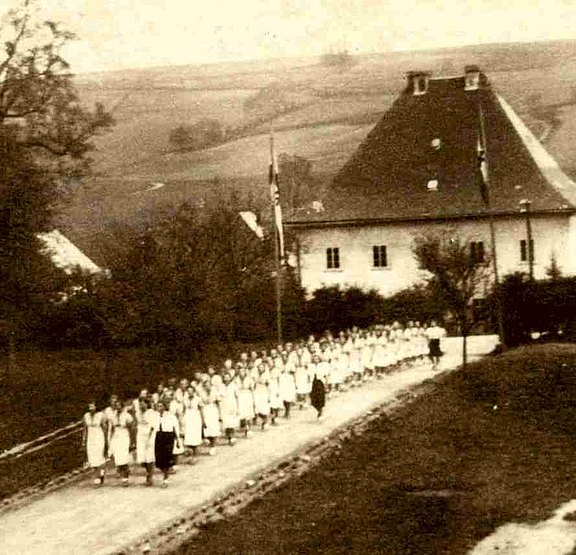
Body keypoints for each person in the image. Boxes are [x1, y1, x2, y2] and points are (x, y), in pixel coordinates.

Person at [154, 400, 182, 487]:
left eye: (161, 406)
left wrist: (177, 440)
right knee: (159, 460)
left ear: (165, 407)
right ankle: (166, 471)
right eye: (158, 406)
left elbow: (175, 428)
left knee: (166, 458)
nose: (159, 408)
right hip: (159, 436)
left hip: (168, 436)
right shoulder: (155, 416)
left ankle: (165, 479)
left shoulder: (171, 416)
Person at [108, 399, 134, 487]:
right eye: (116, 405)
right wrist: (110, 439)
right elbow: (111, 429)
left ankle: (125, 478)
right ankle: (123, 472)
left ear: (122, 407)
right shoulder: (113, 416)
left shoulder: (127, 416)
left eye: (119, 405)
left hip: (124, 436)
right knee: (118, 458)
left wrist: (132, 441)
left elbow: (131, 429)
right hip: (116, 437)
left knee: (124, 458)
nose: (118, 407)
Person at [82, 401, 107, 486]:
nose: (91, 409)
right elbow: (85, 429)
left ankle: (101, 473)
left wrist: (106, 439)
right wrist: (84, 440)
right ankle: (97, 476)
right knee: (92, 457)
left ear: (96, 407)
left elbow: (104, 428)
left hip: (99, 438)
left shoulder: (101, 415)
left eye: (92, 407)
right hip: (90, 439)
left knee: (99, 456)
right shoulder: (86, 416)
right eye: (89, 407)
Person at [183, 386, 203, 458]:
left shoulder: (198, 399)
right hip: (188, 417)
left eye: (191, 390)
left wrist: (203, 420)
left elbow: (201, 409)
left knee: (195, 433)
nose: (189, 392)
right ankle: (190, 450)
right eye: (188, 391)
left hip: (195, 417)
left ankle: (195, 451)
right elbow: (184, 409)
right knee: (189, 433)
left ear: (193, 391)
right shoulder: (185, 399)